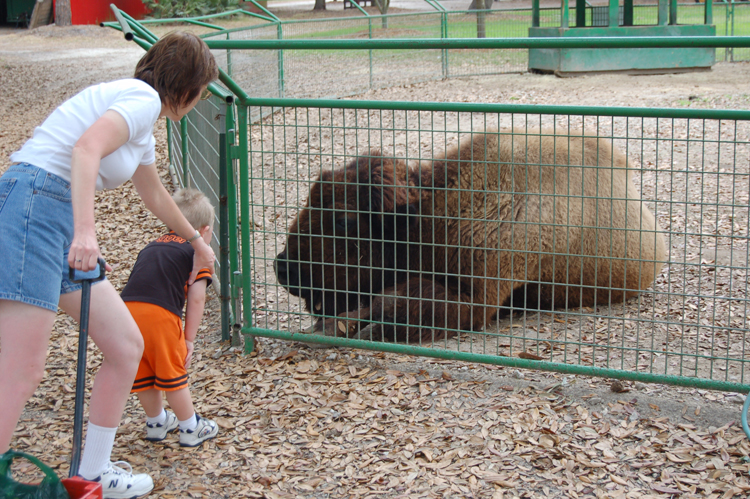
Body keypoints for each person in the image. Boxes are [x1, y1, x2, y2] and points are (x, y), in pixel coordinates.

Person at [0, 31, 218, 499]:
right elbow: (84, 150)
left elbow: (154, 193)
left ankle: (92, 475)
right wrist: (85, 231)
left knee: (125, 344)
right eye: (202, 93)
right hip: (37, 207)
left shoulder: (140, 123)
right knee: (22, 367)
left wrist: (197, 244)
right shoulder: (139, 100)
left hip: (52, 215)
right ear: (189, 86)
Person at [122, 188, 219, 448]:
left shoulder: (152, 246)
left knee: (145, 370)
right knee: (172, 372)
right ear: (205, 230)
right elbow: (197, 299)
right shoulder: (198, 254)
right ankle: (190, 427)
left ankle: (156, 422)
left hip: (125, 312)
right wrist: (189, 339)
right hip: (160, 315)